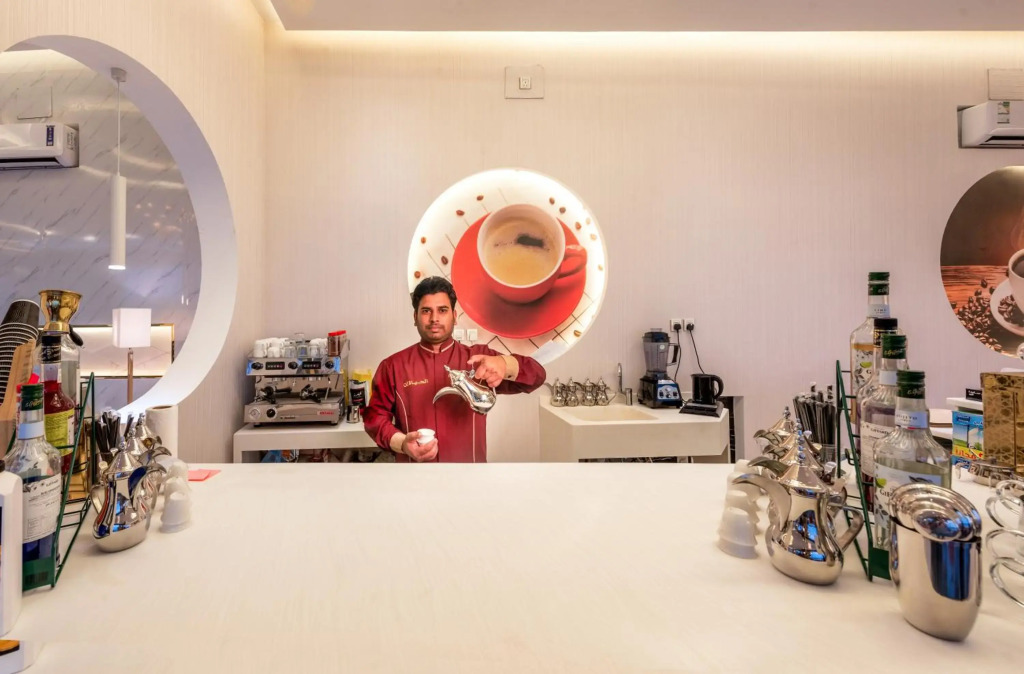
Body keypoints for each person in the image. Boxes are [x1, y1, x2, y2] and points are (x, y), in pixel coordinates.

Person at [363, 276, 546, 462]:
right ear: (415, 318)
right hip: (415, 473)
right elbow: (374, 418)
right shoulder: (393, 366)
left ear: (455, 316)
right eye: (426, 311)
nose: (434, 318)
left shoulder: (480, 359)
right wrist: (402, 443)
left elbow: (537, 376)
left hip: (469, 474)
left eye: (442, 310)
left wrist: (505, 364)